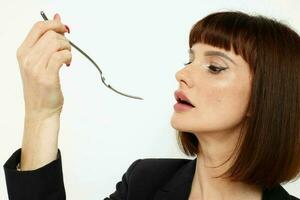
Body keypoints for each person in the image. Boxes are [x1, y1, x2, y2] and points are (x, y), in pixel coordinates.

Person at [3, 10, 300, 200]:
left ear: (265, 96)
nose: (182, 74)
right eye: (190, 60)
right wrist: (42, 113)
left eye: (214, 67)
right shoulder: (144, 183)